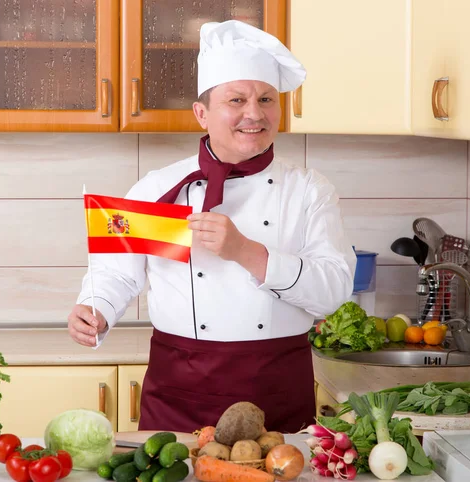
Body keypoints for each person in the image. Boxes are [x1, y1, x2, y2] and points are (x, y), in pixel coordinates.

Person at [68, 20, 356, 433]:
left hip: (275, 392)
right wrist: (95, 309)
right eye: (236, 99)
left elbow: (333, 292)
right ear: (201, 113)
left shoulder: (309, 191)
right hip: (178, 393)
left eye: (266, 99)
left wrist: (246, 251)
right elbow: (116, 272)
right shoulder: (157, 188)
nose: (253, 113)